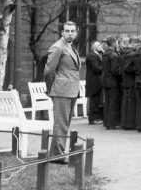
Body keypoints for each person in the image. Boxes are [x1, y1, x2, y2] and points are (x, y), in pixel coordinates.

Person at [44, 21, 82, 162]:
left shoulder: (70, 47)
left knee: (64, 123)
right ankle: (57, 155)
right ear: (62, 32)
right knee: (61, 123)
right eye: (67, 31)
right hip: (61, 91)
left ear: (76, 32)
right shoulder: (58, 47)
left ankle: (56, 153)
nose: (70, 33)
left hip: (70, 91)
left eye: (72, 31)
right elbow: (49, 71)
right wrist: (50, 88)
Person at [101, 37, 122, 130]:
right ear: (113, 43)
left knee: (108, 102)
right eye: (116, 43)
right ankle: (112, 123)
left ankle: (107, 122)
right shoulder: (114, 54)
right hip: (113, 81)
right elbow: (115, 70)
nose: (117, 44)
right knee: (113, 102)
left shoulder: (105, 53)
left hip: (106, 80)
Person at [120, 36, 138, 130]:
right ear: (133, 43)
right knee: (130, 102)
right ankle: (130, 124)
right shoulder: (131, 54)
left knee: (126, 101)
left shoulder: (125, 53)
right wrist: (137, 70)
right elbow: (127, 67)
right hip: (130, 80)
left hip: (125, 80)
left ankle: (124, 122)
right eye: (137, 43)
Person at [85, 41, 103, 125]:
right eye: (99, 45)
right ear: (94, 47)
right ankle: (92, 119)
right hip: (94, 81)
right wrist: (105, 67)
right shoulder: (92, 56)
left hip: (96, 81)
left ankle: (95, 118)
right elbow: (96, 68)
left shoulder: (96, 54)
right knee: (94, 100)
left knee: (96, 100)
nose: (101, 46)